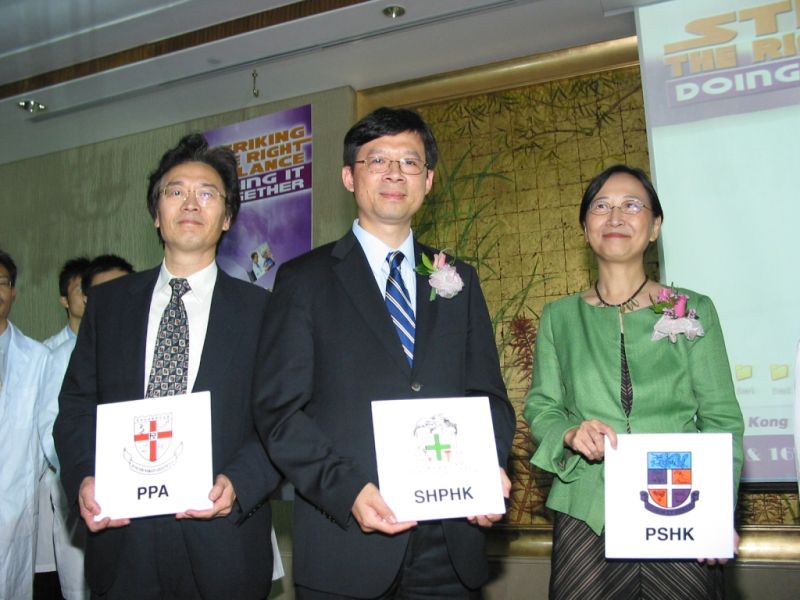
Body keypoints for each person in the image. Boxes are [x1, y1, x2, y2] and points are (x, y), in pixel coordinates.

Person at [253, 107, 516, 599]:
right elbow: (279, 413)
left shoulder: (459, 278)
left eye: (410, 162)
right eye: (377, 160)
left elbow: (489, 396)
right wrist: (347, 490)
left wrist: (488, 466)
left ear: (428, 180)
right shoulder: (302, 280)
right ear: (349, 177)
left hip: (450, 543)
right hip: (347, 543)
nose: (395, 173)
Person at [54, 133, 281, 599]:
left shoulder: (265, 311)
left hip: (224, 544)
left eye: (207, 194)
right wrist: (83, 478)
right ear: (156, 214)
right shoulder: (108, 305)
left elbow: (282, 418)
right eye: (176, 191)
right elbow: (75, 407)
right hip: (123, 542)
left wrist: (240, 482)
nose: (191, 203)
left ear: (227, 218)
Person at [523, 164, 744, 600]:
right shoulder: (558, 317)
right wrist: (568, 432)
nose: (615, 216)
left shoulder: (692, 309)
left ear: (655, 226)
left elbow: (722, 420)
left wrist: (719, 510)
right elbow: (542, 407)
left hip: (680, 502)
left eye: (631, 205)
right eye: (601, 206)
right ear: (585, 229)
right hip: (587, 508)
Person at [37, 255, 135, 600]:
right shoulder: (61, 356)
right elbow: (53, 429)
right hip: (89, 490)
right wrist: (91, 467)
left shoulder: (154, 346)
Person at [0, 249, 49, 600]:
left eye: (1, 283)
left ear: (13, 291)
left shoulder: (37, 359)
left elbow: (47, 438)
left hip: (14, 508)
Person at [43, 257, 91, 350]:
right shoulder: (49, 349)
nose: (87, 296)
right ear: (65, 301)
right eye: (80, 290)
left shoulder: (112, 341)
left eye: (91, 288)